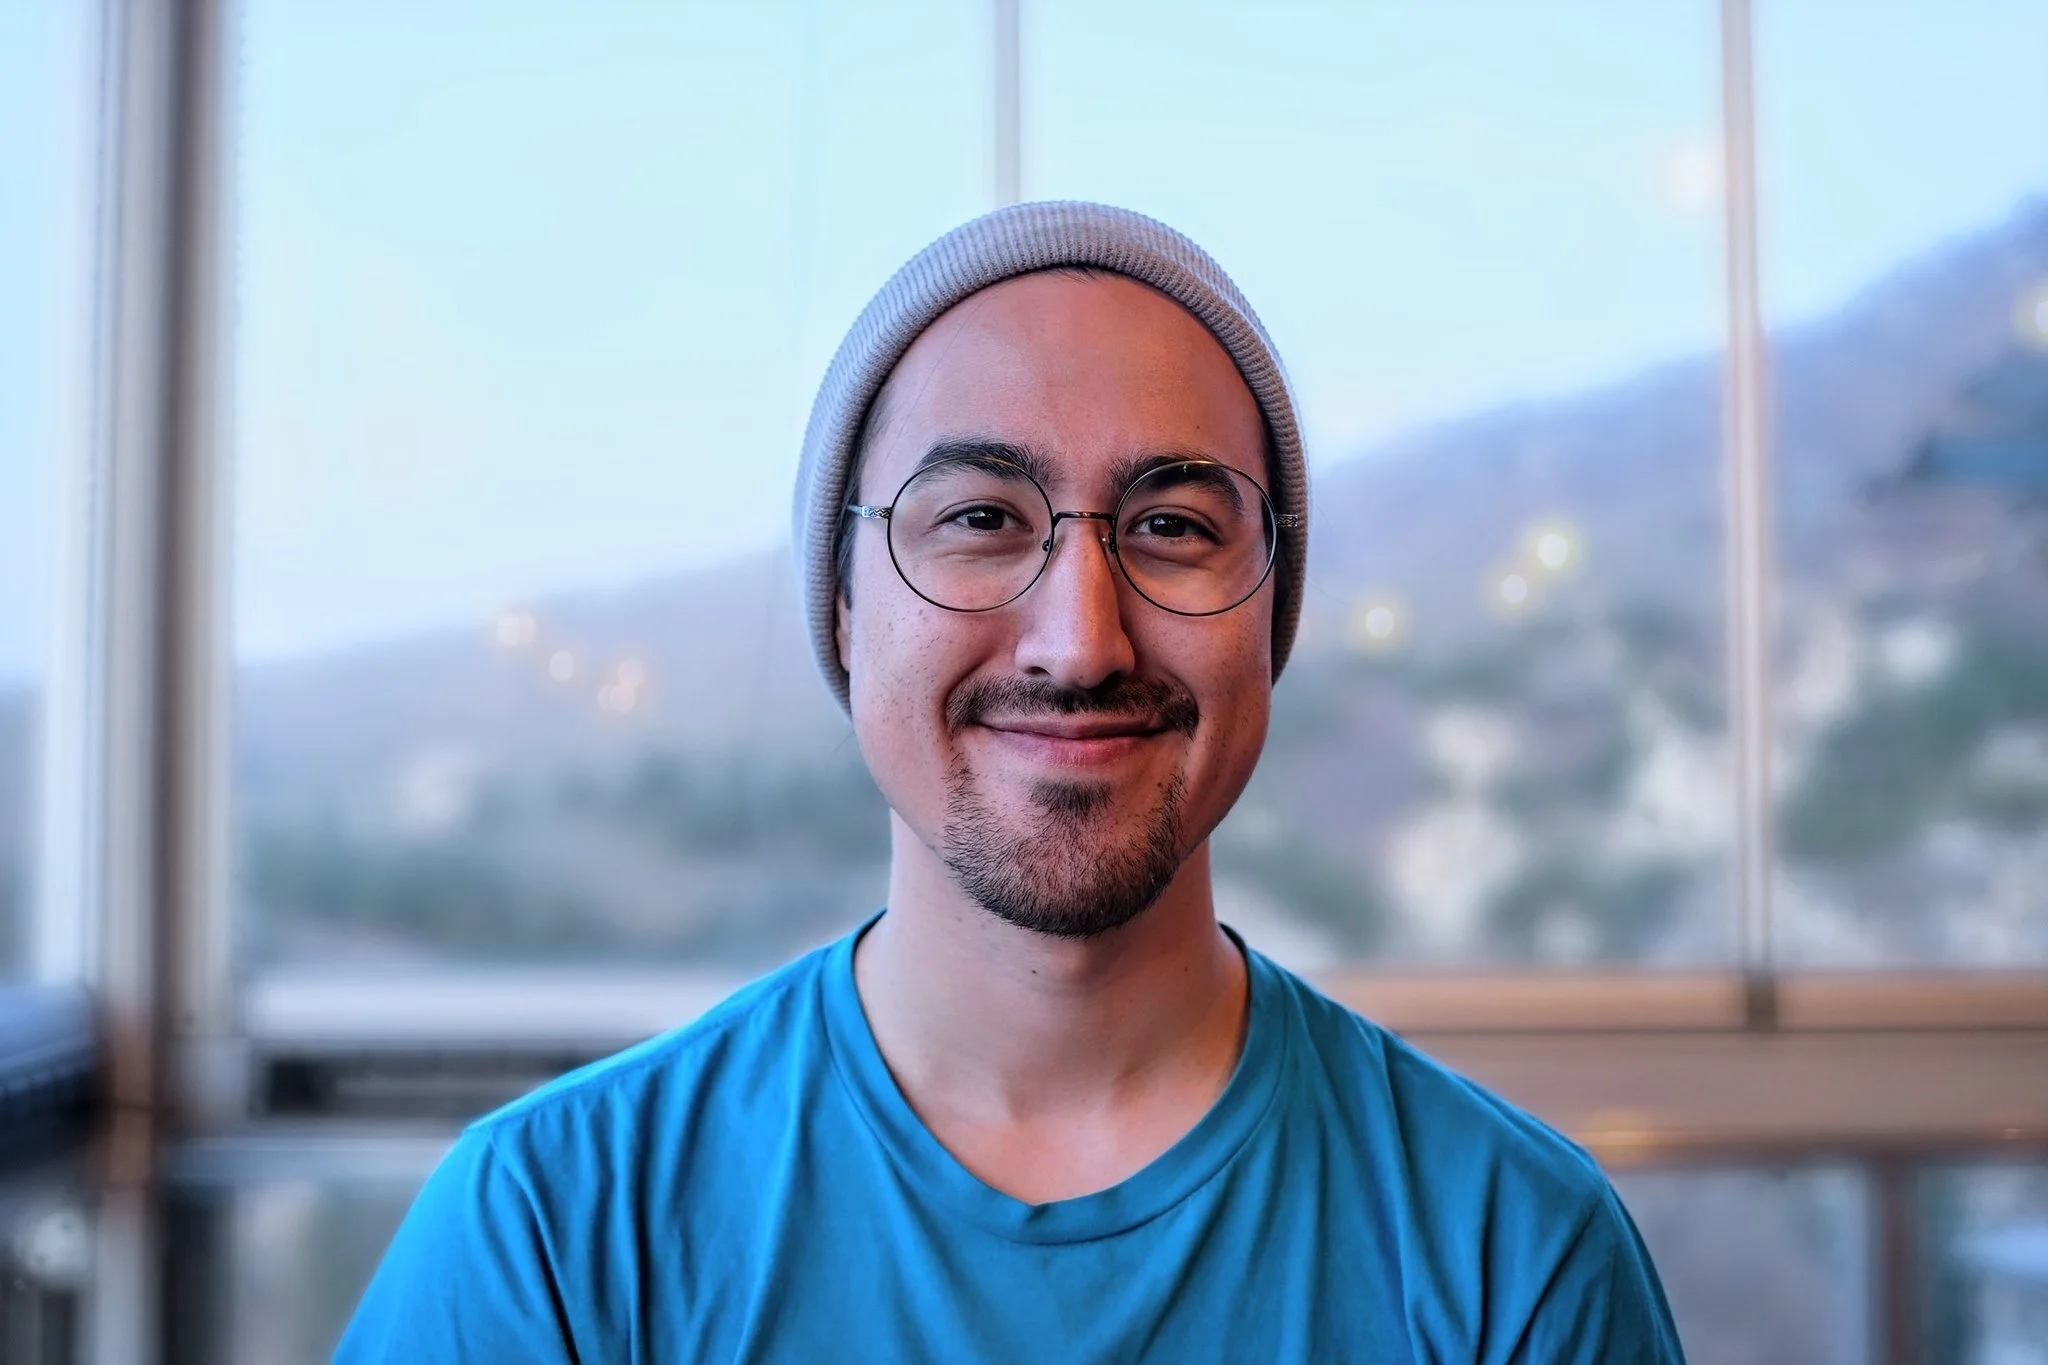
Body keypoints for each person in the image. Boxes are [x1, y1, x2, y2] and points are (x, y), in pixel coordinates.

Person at [337, 201, 1685, 1363]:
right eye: (981, 520)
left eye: (1172, 526)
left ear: (1271, 617)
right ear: (847, 608)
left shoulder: (1515, 1258)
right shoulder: (557, 1240)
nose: (1081, 640)